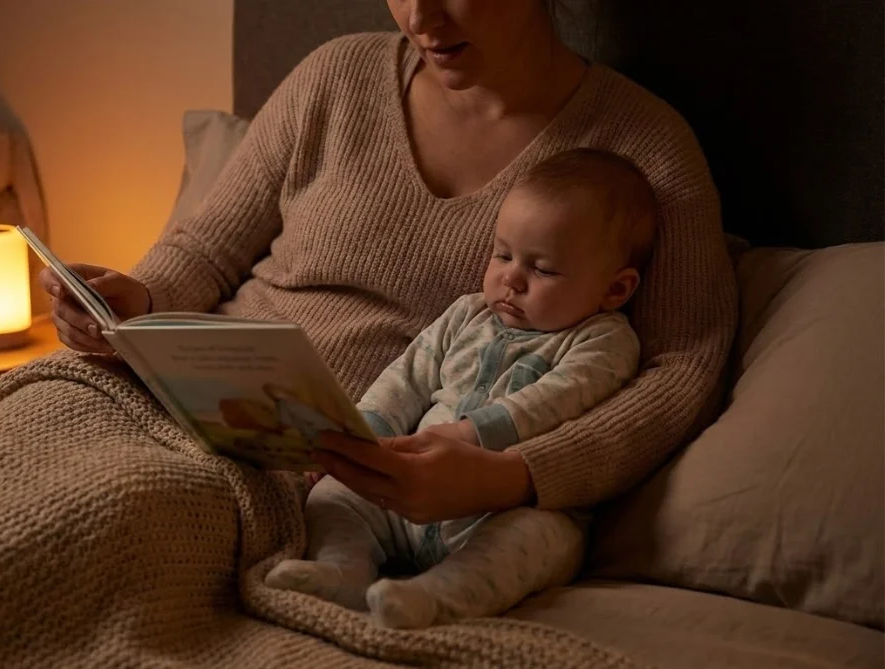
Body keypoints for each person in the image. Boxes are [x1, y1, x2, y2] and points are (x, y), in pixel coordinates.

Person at [42, 0, 735, 547]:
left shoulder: (641, 150)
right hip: (172, 402)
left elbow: (682, 373)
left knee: (81, 531)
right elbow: (207, 251)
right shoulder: (335, 76)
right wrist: (135, 298)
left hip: (317, 480)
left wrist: (515, 475)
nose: (418, 17)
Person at [264, 147, 654, 628]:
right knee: (334, 499)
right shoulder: (467, 315)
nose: (511, 277)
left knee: (544, 539)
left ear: (614, 290)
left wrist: (471, 435)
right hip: (401, 492)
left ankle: (433, 598)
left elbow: (559, 399)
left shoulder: (604, 340)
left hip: (501, 509)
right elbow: (406, 379)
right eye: (503, 254)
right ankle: (343, 571)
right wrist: (358, 438)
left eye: (544, 269)